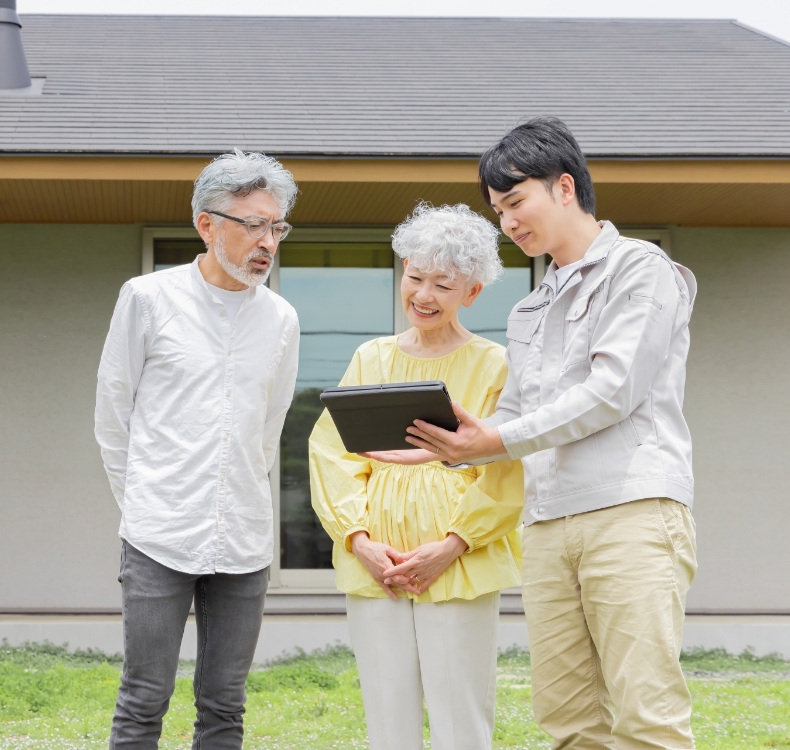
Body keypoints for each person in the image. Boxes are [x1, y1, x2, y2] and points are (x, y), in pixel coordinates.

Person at [377, 119, 699, 749]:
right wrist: (439, 446)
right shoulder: (528, 308)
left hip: (629, 510)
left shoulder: (640, 269)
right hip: (547, 523)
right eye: (498, 210)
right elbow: (515, 412)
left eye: (516, 202)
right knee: (568, 720)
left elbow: (613, 391)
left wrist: (490, 442)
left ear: (566, 188)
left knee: (646, 716)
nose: (508, 223)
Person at [94, 149, 301, 750]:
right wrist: (141, 505)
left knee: (224, 706)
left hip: (243, 537)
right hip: (159, 532)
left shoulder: (282, 319)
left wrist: (244, 495)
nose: (267, 241)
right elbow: (114, 416)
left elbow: (270, 426)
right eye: (253, 225)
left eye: (277, 226)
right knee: (143, 699)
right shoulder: (147, 298)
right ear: (207, 225)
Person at [308, 203, 525, 750]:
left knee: (461, 717)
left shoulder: (495, 365)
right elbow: (332, 453)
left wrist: (452, 545)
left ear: (471, 293)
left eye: (443, 285)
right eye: (415, 277)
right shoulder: (370, 357)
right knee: (387, 716)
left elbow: (509, 467)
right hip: (376, 563)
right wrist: (360, 542)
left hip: (458, 562)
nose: (424, 295)